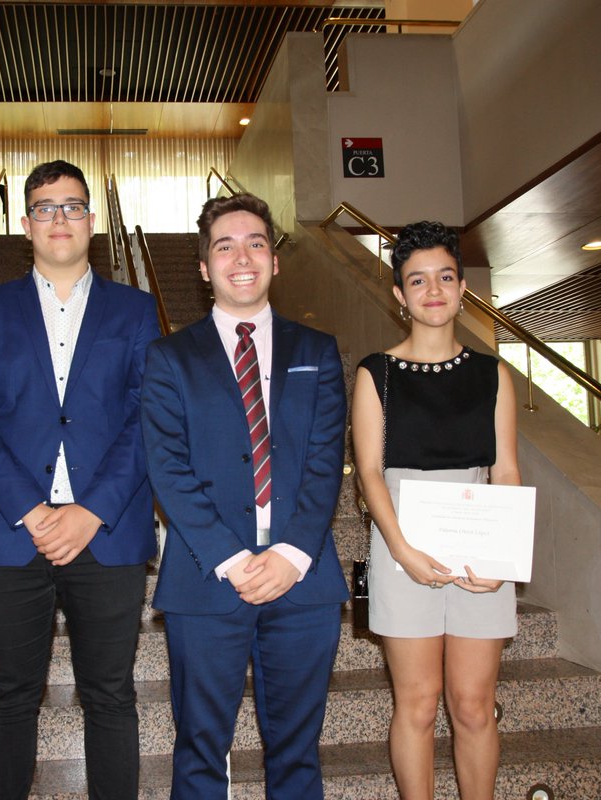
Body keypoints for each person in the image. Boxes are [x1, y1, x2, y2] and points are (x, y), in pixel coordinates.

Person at [0, 160, 160, 799]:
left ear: (93, 221)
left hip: (107, 532)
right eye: (45, 207)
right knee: (10, 696)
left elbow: (149, 416)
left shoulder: (136, 309)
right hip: (8, 533)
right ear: (26, 224)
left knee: (111, 695)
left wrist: (90, 509)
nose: (59, 218)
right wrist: (33, 510)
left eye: (72, 206)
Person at [141, 193, 349, 799]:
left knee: (297, 753)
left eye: (256, 243)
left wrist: (290, 554)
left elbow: (323, 464)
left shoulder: (317, 351)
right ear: (204, 267)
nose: (242, 256)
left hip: (303, 579)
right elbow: (167, 468)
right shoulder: (169, 357)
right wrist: (234, 560)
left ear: (274, 262)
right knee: (201, 751)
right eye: (224, 246)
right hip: (207, 580)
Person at [349, 220, 521, 799]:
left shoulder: (492, 373)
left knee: (473, 705)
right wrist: (400, 551)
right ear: (399, 295)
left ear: (462, 285)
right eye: (417, 280)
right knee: (418, 704)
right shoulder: (377, 373)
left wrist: (504, 557)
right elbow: (370, 472)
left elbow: (506, 471)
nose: (432, 290)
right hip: (404, 547)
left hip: (479, 548)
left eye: (444, 276)